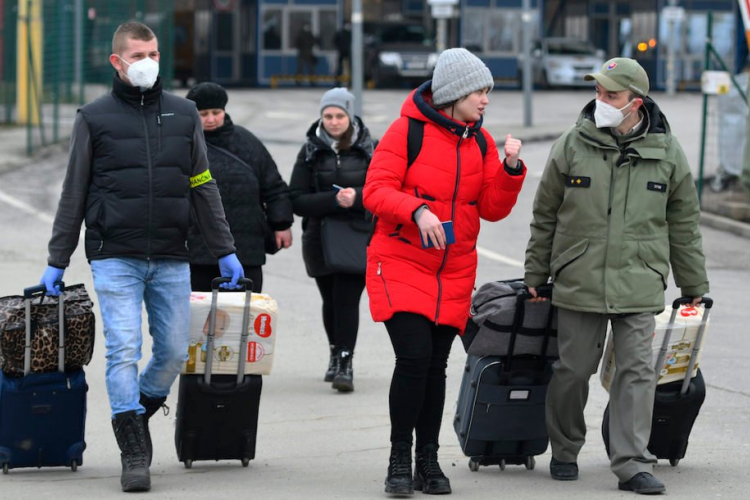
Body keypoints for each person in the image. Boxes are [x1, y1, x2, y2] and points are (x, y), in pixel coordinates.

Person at [39, 22, 244, 493]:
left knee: (173, 351)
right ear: (117, 61)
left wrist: (225, 249)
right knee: (125, 349)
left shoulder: (184, 112)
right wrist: (58, 257)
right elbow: (75, 191)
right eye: (137, 54)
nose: (148, 62)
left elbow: (201, 184)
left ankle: (136, 414)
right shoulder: (93, 117)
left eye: (153, 52)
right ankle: (134, 450)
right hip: (115, 255)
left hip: (173, 253)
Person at [524, 58, 709, 495]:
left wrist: (693, 285)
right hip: (580, 277)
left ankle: (631, 463)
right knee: (572, 370)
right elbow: (545, 213)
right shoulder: (572, 144)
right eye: (599, 92)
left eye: (611, 95)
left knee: (637, 373)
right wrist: (536, 271)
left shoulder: (667, 151)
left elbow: (684, 222)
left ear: (635, 103)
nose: (601, 101)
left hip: (639, 280)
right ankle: (565, 449)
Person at [363, 48, 526, 496]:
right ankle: (399, 460)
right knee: (413, 359)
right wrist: (416, 210)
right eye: (479, 91)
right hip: (400, 261)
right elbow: (375, 191)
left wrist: (510, 170)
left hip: (452, 268)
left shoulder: (480, 142)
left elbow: (492, 209)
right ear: (454, 93)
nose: (485, 100)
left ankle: (428, 462)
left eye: (488, 91)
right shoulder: (406, 131)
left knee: (436, 367)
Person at [289, 87, 374, 393]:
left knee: (346, 299)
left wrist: (359, 197)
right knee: (330, 300)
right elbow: (296, 200)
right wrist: (334, 200)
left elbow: (384, 193)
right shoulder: (311, 149)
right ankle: (334, 352)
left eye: (339, 115)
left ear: (350, 116)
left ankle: (345, 362)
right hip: (319, 236)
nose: (334, 122)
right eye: (328, 116)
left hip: (356, 236)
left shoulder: (369, 148)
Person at [185, 82, 293, 293]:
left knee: (244, 318)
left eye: (216, 112)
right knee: (200, 321)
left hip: (247, 249)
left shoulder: (247, 142)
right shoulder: (183, 144)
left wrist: (282, 223)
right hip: (197, 250)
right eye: (203, 113)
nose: (210, 119)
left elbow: (273, 186)